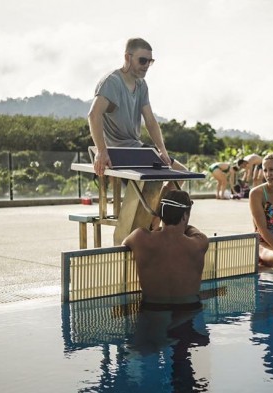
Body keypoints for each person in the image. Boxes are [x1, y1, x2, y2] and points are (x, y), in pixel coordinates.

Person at [88, 37, 186, 226]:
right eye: (142, 60)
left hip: (137, 149)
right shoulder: (112, 82)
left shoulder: (141, 85)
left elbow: (150, 120)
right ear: (127, 57)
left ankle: (154, 223)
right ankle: (149, 227)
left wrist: (162, 150)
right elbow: (94, 114)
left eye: (150, 61)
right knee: (150, 190)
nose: (147, 65)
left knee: (180, 173)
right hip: (118, 152)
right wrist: (101, 150)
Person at [123, 190, 209, 310]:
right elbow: (194, 231)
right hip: (188, 311)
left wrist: (158, 230)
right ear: (184, 216)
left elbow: (122, 245)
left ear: (161, 214)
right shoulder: (199, 244)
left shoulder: (140, 238)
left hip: (151, 311)